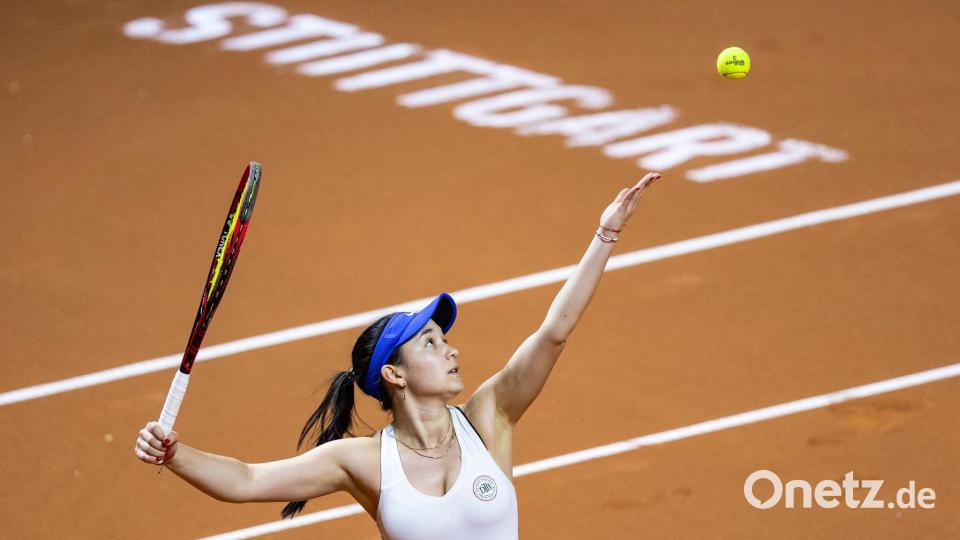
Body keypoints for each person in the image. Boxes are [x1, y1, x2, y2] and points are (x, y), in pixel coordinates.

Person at [134, 172, 663, 539]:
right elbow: (248, 481)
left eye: (444, 338)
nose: (451, 349)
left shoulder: (490, 418)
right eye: (430, 343)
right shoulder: (361, 461)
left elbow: (553, 333)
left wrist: (606, 233)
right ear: (395, 374)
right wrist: (175, 455)